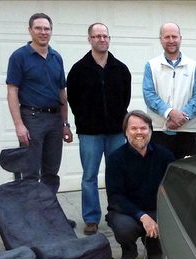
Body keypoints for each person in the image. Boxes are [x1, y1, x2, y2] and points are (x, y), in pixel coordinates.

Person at [67, 23, 131, 236]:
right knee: (89, 176)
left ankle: (117, 213)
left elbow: (125, 98)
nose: (102, 39)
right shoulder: (78, 70)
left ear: (109, 39)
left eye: (105, 36)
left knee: (117, 175)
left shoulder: (120, 69)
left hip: (116, 132)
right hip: (90, 133)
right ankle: (91, 218)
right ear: (89, 39)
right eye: (97, 36)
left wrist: (118, 120)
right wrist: (85, 119)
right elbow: (73, 100)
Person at [6, 12, 73, 194]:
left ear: (51, 31)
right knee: (30, 172)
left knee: (51, 172)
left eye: (47, 29)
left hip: (55, 120)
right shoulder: (19, 57)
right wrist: (19, 125)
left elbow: (62, 93)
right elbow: (12, 91)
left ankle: (48, 209)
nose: (43, 32)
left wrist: (65, 124)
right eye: (38, 28)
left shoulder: (56, 57)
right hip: (32, 119)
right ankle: (31, 211)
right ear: (30, 30)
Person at [105, 111, 174, 259]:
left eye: (143, 128)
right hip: (127, 212)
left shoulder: (164, 155)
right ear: (126, 132)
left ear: (150, 130)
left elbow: (173, 186)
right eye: (134, 128)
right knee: (124, 228)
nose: (139, 132)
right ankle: (129, 251)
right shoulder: (116, 159)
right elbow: (115, 197)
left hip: (155, 208)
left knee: (173, 220)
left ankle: (153, 244)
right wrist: (142, 216)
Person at [143, 22, 196, 159]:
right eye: (167, 37)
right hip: (159, 130)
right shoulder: (151, 66)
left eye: (174, 36)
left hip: (187, 132)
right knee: (160, 170)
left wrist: (181, 118)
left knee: (187, 171)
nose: (171, 40)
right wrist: (170, 113)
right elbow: (149, 95)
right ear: (160, 39)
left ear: (180, 38)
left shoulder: (193, 66)